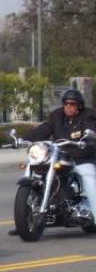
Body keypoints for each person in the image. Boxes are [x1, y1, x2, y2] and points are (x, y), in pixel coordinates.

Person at [18, 89, 96, 227]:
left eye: (72, 104)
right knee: (35, 165)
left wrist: (89, 138)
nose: (68, 107)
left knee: (89, 178)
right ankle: (24, 223)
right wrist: (23, 140)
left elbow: (91, 129)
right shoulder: (57, 116)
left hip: (81, 158)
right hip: (59, 157)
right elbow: (43, 130)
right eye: (66, 104)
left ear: (79, 106)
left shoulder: (88, 116)